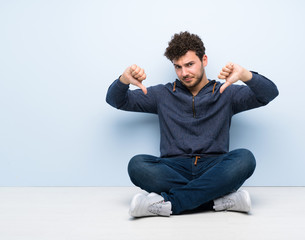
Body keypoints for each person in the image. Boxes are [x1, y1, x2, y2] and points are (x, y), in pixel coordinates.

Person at [106, 31, 279, 218]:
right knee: (137, 165)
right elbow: (117, 101)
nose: (184, 73)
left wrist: (245, 75)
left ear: (204, 60)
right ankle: (218, 200)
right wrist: (124, 80)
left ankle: (170, 204)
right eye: (178, 67)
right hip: (173, 168)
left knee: (245, 158)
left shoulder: (225, 92)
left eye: (189, 64)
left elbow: (269, 94)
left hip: (214, 167)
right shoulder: (162, 94)